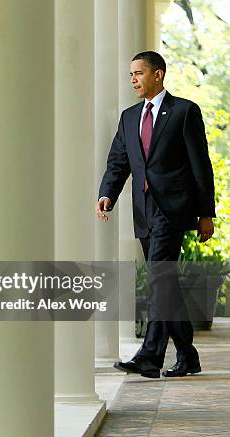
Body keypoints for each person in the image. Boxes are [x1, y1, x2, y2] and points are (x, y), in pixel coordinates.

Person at [95, 51, 215, 378]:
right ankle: (188, 356)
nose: (133, 79)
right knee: (167, 283)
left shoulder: (184, 112)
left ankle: (150, 355)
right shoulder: (129, 117)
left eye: (138, 73)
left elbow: (200, 166)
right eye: (131, 74)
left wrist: (206, 213)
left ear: (158, 75)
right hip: (143, 211)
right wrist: (107, 194)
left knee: (160, 278)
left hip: (173, 209)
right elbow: (118, 162)